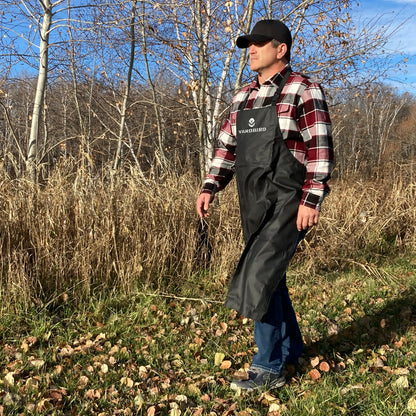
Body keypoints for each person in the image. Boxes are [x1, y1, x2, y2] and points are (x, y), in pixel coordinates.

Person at [196, 19, 333, 392]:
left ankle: (267, 367)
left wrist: (311, 199)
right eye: (248, 44)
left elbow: (319, 150)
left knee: (258, 275)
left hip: (290, 200)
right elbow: (227, 148)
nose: (250, 49)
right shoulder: (243, 97)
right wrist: (210, 186)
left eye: (258, 43)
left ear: (281, 48)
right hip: (254, 201)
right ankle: (291, 350)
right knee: (272, 276)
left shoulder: (304, 90)